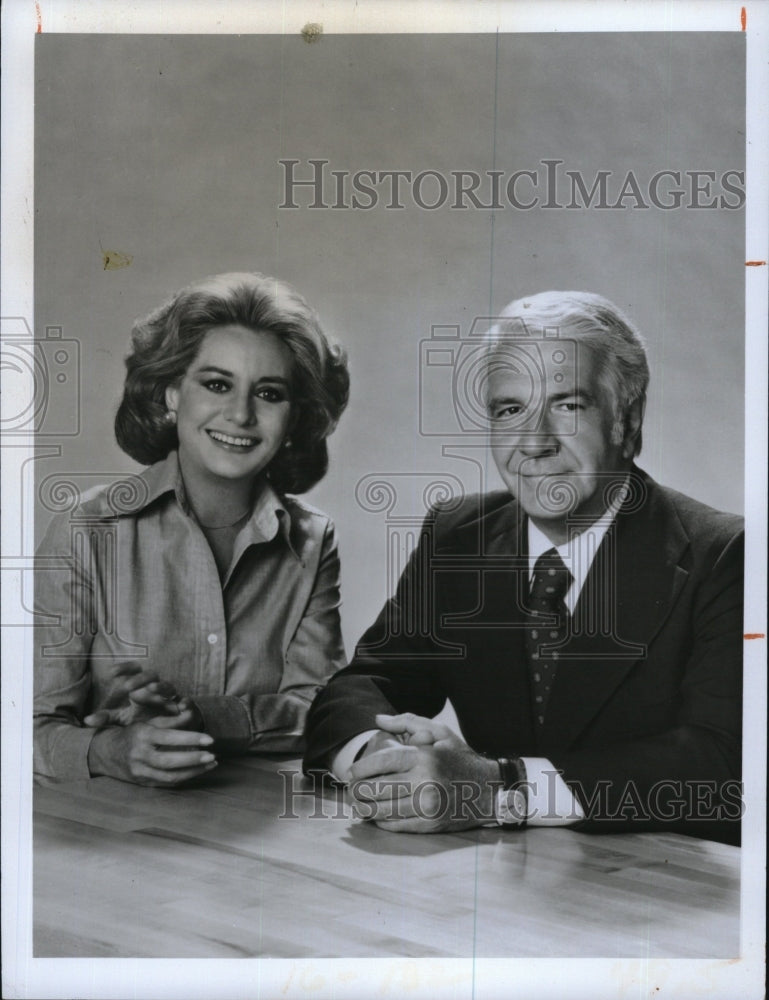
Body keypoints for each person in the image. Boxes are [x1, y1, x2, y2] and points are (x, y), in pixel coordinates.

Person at [304, 290, 743, 844]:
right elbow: (363, 685)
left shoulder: (726, 554)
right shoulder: (457, 535)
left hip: (663, 896)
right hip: (501, 884)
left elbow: (722, 766)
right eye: (510, 410)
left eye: (567, 405)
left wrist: (499, 787)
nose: (532, 442)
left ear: (627, 420)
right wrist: (386, 761)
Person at [34, 271, 350, 786]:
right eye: (217, 384)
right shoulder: (86, 528)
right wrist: (111, 750)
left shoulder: (312, 542)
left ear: (295, 417)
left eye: (269, 393)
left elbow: (322, 710)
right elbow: (26, 725)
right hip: (102, 833)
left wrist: (205, 717)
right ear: (172, 392)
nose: (241, 414)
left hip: (251, 826)